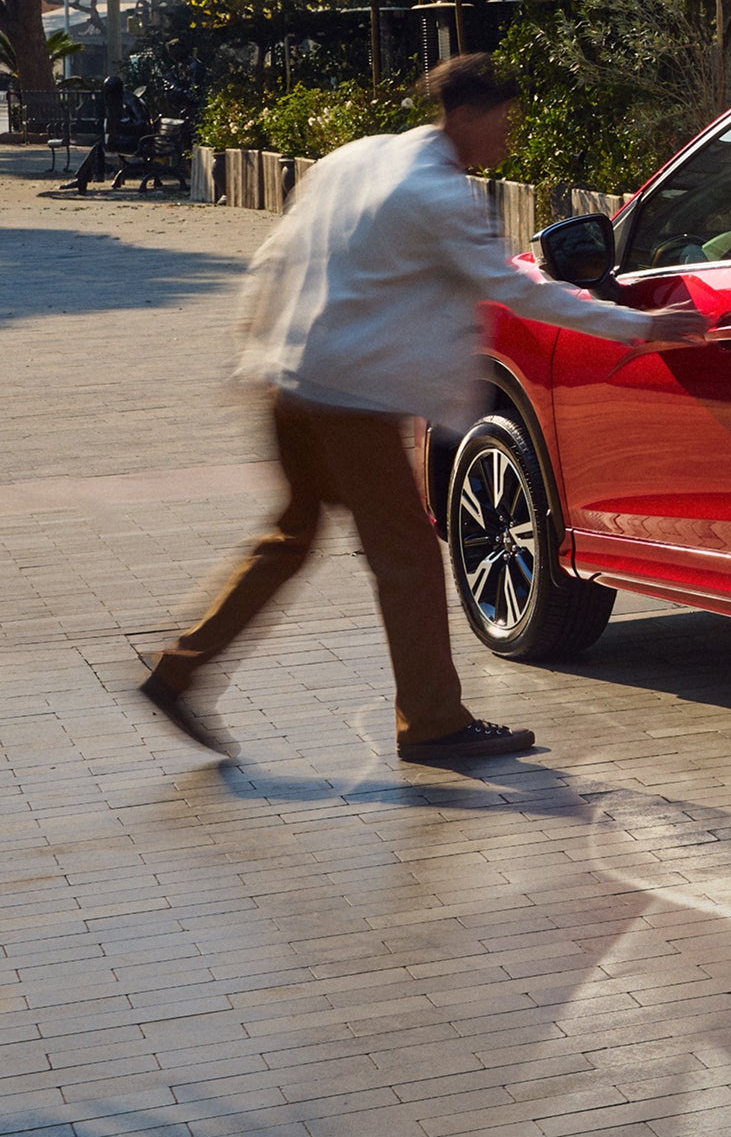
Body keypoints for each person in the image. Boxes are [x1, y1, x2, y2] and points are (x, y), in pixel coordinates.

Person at [140, 54, 680, 765]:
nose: (508, 139)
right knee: (410, 559)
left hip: (290, 380)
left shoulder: (357, 158)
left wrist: (255, 353)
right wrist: (641, 328)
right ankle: (430, 721)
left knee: (292, 536)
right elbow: (516, 290)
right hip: (348, 400)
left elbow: (279, 252)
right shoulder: (439, 194)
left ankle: (180, 670)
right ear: (463, 116)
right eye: (502, 122)